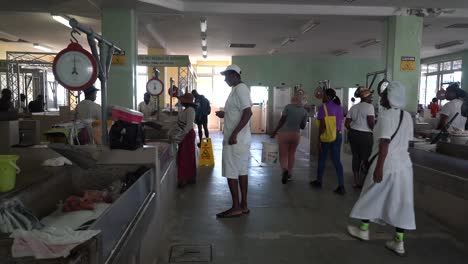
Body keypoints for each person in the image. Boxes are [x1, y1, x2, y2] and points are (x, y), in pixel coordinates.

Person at [347, 81, 415, 256]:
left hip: (386, 164)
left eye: (384, 95)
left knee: (370, 194)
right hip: (404, 166)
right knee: (401, 201)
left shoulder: (386, 116)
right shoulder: (407, 116)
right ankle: (398, 241)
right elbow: (406, 142)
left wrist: (379, 168)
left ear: (390, 97)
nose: (381, 98)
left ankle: (363, 229)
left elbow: (384, 143)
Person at [215, 64, 252, 218]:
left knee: (231, 172)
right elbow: (238, 112)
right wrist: (226, 114)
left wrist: (234, 133)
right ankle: (243, 206)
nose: (225, 80)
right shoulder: (236, 90)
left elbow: (248, 112)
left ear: (234, 75)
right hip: (240, 141)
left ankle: (236, 207)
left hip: (235, 141)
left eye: (226, 76)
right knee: (242, 171)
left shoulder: (241, 89)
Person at [310, 88, 345, 195]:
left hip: (327, 137)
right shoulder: (339, 107)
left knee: (322, 158)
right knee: (337, 161)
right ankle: (341, 186)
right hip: (337, 136)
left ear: (329, 97)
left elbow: (323, 126)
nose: (322, 97)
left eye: (324, 95)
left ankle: (319, 181)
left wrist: (319, 139)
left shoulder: (323, 107)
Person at [270, 95, 308, 184]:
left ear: (293, 99)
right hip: (296, 134)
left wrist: (275, 131)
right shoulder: (304, 111)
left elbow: (282, 120)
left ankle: (284, 170)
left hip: (284, 134)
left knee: (283, 155)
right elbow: (302, 126)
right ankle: (290, 174)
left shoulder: (288, 107)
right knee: (292, 154)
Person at [345, 88, 375, 188]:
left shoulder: (353, 107)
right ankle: (364, 182)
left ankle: (356, 181)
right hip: (365, 136)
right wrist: (375, 129)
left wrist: (354, 129)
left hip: (353, 134)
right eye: (370, 96)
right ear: (366, 97)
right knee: (366, 158)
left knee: (356, 157)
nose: (371, 98)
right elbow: (371, 123)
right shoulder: (369, 107)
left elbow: (347, 123)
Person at [169, 93, 197, 188]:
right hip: (185, 134)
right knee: (187, 156)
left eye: (182, 101)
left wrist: (180, 136)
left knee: (185, 157)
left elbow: (188, 126)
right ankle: (189, 177)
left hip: (187, 135)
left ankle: (184, 179)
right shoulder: (187, 110)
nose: (181, 102)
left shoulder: (190, 110)